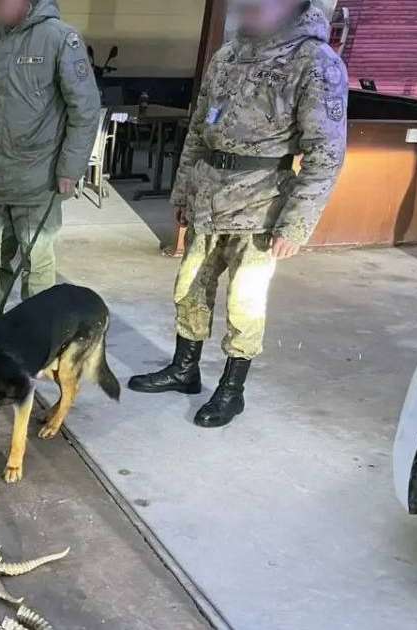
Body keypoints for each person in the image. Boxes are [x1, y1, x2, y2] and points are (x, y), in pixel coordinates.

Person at [128, 0, 348, 428]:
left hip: (261, 208)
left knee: (244, 302)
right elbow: (197, 131)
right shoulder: (229, 54)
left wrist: (296, 223)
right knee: (190, 288)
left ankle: (232, 390)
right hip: (208, 198)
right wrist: (183, 190)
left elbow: (326, 154)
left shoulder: (315, 61)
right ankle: (184, 370)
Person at [0, 0, 100, 325]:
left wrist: (70, 168)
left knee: (36, 260)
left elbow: (85, 109)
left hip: (38, 176)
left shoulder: (60, 39)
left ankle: (36, 330)